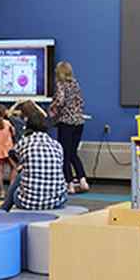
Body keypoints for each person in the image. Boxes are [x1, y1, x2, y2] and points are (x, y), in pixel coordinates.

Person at [5, 103, 67, 211]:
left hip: (27, 202)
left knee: (21, 174)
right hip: (55, 202)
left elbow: (11, 154)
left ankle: (4, 208)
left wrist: (19, 166)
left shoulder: (24, 142)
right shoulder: (57, 145)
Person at [51, 61, 90, 193]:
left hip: (66, 123)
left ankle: (69, 184)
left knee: (64, 155)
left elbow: (60, 100)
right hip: (79, 122)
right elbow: (81, 101)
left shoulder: (61, 84)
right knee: (73, 153)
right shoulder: (75, 83)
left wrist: (53, 107)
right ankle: (83, 180)